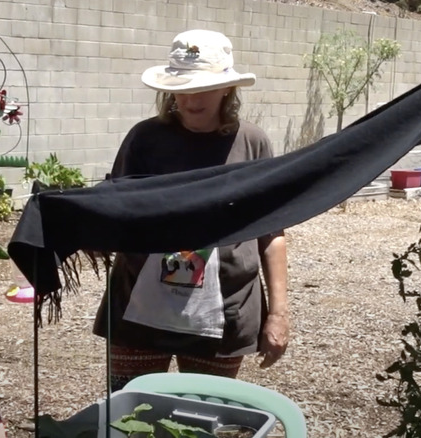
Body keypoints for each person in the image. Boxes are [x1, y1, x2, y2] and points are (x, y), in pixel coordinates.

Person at [93, 29, 290, 391]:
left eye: (202, 88)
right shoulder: (144, 139)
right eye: (182, 89)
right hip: (139, 309)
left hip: (224, 312)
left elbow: (271, 233)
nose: (190, 99)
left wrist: (278, 313)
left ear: (227, 89)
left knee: (201, 418)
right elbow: (115, 209)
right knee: (129, 414)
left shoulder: (252, 143)